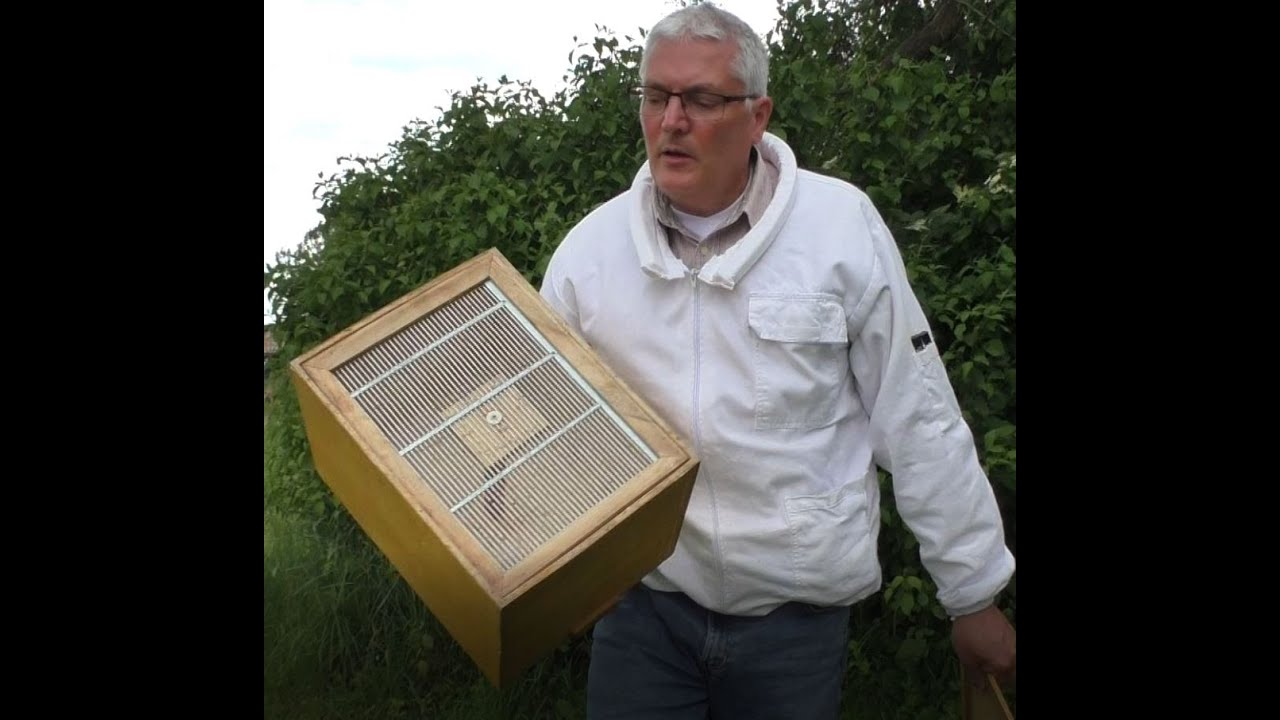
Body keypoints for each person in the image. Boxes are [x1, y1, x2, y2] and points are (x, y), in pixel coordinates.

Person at [538, 3, 1015, 718]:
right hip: (644, 613)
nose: (671, 120)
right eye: (656, 95)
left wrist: (973, 591)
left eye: (700, 99)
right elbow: (548, 428)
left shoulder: (839, 227)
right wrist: (562, 567)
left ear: (758, 114)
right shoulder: (588, 254)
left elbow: (917, 416)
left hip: (794, 622)